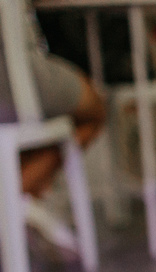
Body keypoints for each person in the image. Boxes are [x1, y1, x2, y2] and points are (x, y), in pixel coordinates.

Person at [1, 2, 106, 256]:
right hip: (11, 74)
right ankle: (18, 198)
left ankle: (21, 197)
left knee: (26, 137)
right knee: (94, 110)